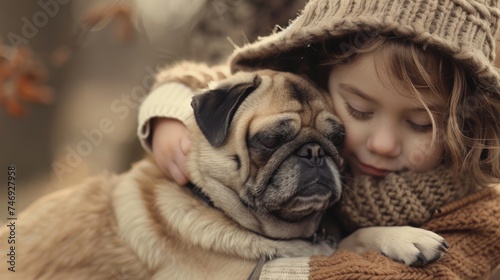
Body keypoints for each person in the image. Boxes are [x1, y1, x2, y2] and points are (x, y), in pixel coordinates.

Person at [137, 0, 500, 279]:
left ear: (471, 124)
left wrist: (253, 272)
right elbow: (208, 81)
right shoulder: (299, 94)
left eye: (421, 124)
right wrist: (169, 114)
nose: (384, 143)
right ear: (319, 79)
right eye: (358, 110)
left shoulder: (482, 215)